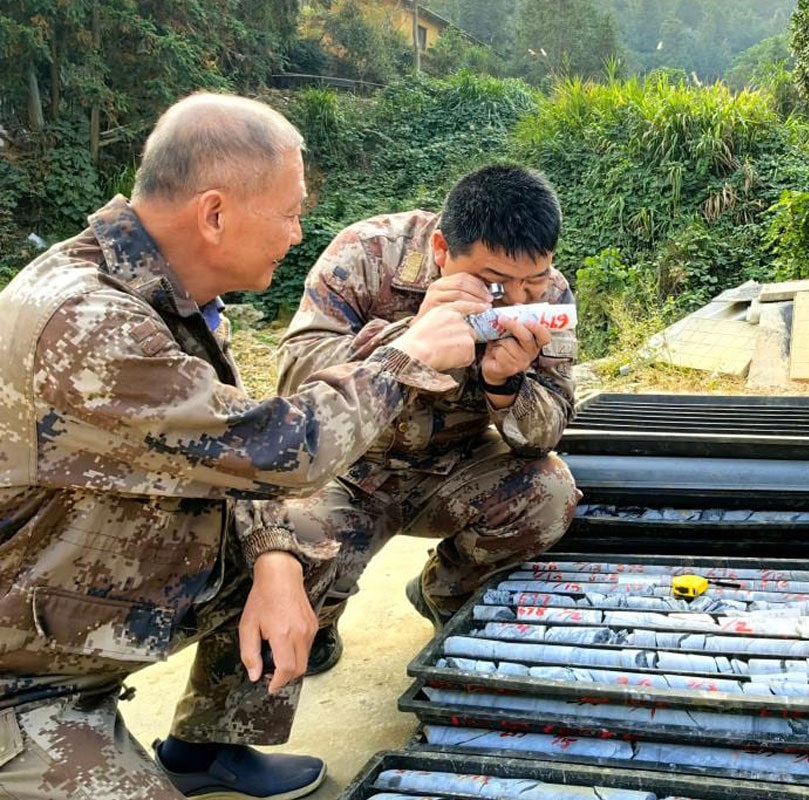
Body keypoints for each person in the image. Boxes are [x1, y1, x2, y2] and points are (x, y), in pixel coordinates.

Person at [0, 93, 486, 799]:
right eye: (290, 212)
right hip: (21, 672)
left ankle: (208, 748)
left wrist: (276, 560)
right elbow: (273, 449)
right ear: (215, 213)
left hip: (77, 607)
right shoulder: (84, 323)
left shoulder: (172, 296)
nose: (297, 233)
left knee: (306, 541)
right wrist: (405, 354)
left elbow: (221, 461)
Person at [274, 163, 580, 673]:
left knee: (549, 492)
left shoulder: (549, 295)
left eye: (534, 281)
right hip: (349, 468)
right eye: (495, 284)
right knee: (286, 541)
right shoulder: (366, 253)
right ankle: (321, 617)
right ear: (441, 250)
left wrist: (506, 387)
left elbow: (546, 433)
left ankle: (445, 591)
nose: (519, 299)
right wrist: (410, 338)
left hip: (454, 467)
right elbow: (294, 383)